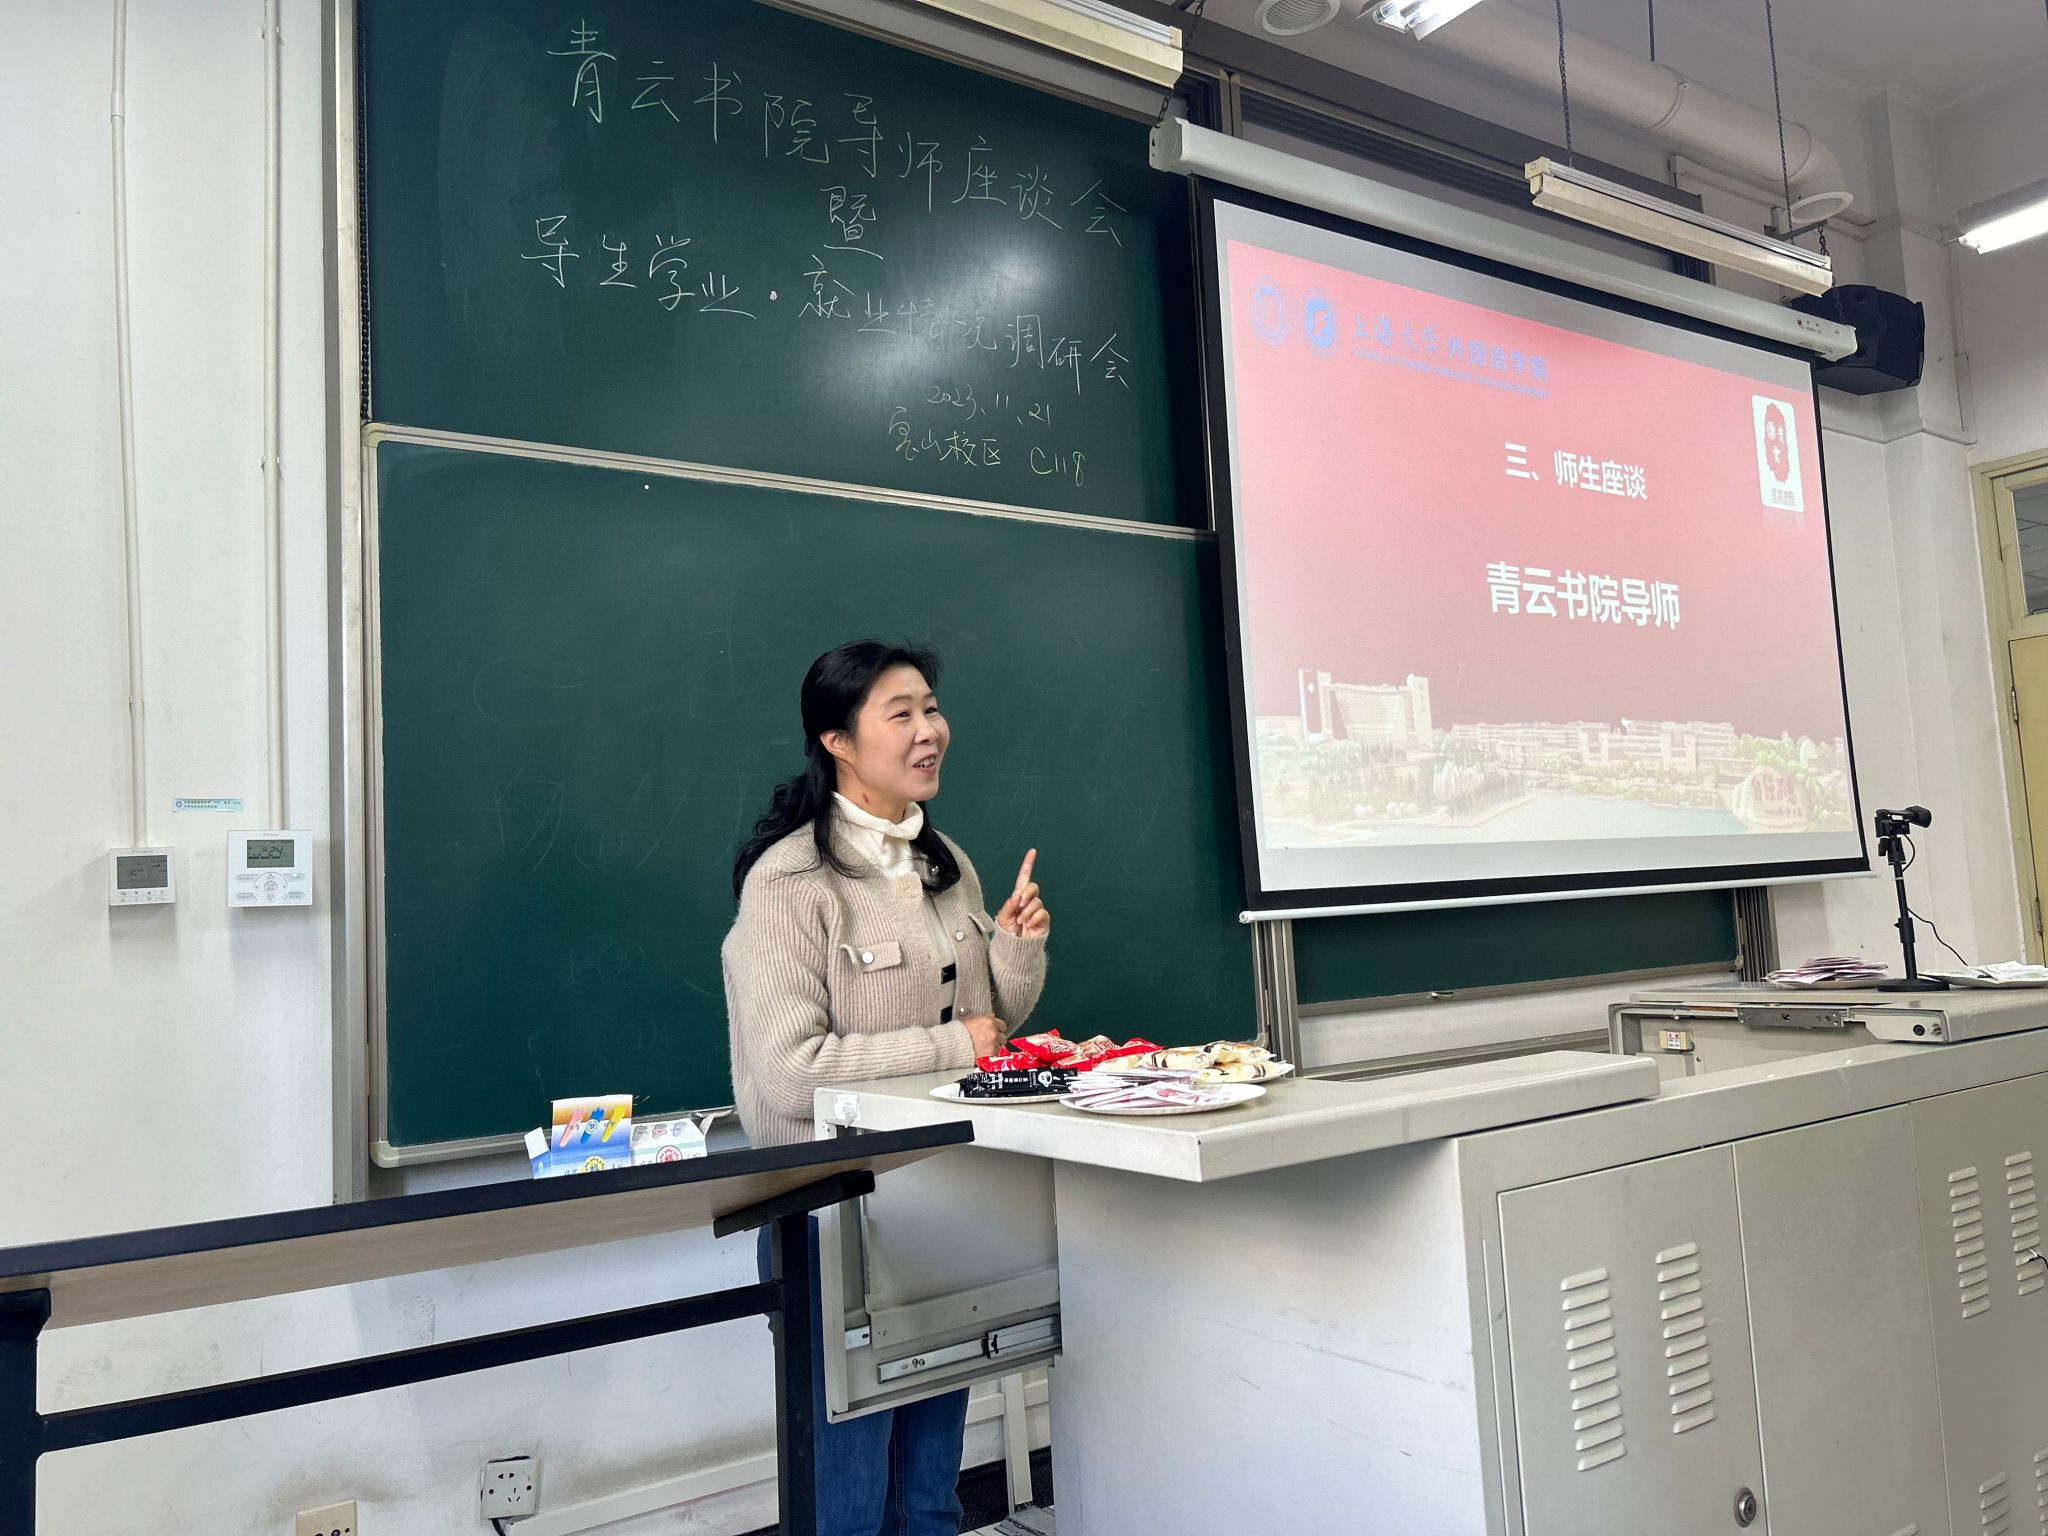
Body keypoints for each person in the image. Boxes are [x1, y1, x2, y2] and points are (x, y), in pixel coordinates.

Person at [724, 639, 1051, 1536]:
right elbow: (790, 1070)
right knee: (848, 1504)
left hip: (939, 1206)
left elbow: (989, 1031)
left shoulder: (946, 864)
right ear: (837, 741)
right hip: (832, 1220)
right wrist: (954, 1042)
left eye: (931, 709)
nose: (928, 731)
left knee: (929, 1499)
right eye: (899, 714)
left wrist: (1016, 950)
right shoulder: (792, 882)